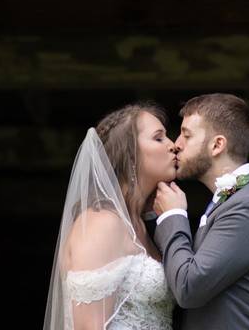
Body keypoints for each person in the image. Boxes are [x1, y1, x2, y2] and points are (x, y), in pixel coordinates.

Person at [153, 93, 249, 329]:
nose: (177, 144)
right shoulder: (237, 197)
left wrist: (172, 217)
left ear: (217, 145)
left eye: (187, 135)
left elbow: (189, 288)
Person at [42, 102, 179, 330]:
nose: (173, 145)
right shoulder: (102, 223)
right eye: (159, 138)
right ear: (131, 155)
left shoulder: (142, 226)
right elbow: (87, 327)